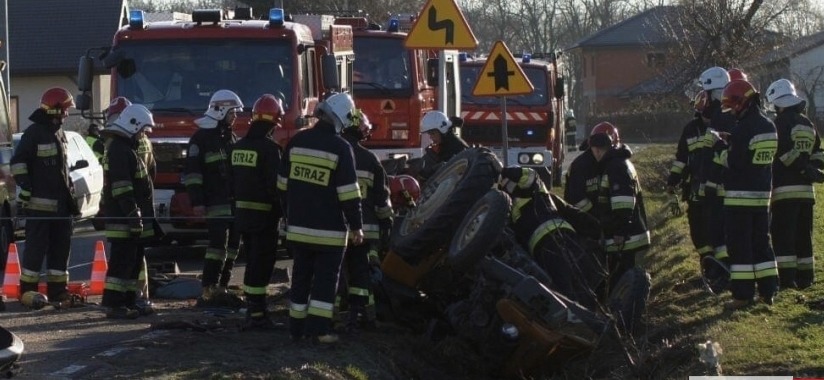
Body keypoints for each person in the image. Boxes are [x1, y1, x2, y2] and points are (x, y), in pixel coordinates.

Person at [277, 92, 364, 344]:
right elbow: (348, 193)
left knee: (300, 279)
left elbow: (282, 186)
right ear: (342, 119)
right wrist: (357, 226)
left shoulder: (297, 141)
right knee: (325, 282)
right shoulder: (341, 148)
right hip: (330, 232)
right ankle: (319, 331)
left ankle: (296, 330)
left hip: (298, 229)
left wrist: (289, 216)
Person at [10, 87, 79, 308]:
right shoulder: (34, 133)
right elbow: (18, 163)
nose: (66, 114)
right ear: (55, 110)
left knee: (60, 251)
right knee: (35, 251)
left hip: (61, 207)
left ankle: (58, 291)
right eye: (65, 109)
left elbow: (61, 171)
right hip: (40, 208)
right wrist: (25, 187)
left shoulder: (59, 133)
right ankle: (28, 292)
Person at [713, 79, 779, 309]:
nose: (732, 112)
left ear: (742, 102)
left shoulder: (742, 128)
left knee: (740, 246)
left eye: (733, 107)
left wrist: (720, 148)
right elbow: (753, 158)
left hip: (739, 198)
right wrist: (733, 141)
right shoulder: (769, 126)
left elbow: (735, 162)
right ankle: (768, 291)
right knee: (762, 243)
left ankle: (742, 296)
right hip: (762, 196)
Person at [500, 166, 604, 309]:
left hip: (553, 243)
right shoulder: (530, 199)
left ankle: (584, 316)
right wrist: (596, 228)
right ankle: (588, 315)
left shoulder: (534, 192)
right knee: (578, 285)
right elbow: (571, 212)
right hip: (556, 242)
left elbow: (529, 174)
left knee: (571, 288)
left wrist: (502, 170)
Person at [183, 89, 244, 307]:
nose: (235, 117)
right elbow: (192, 174)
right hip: (215, 202)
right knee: (217, 246)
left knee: (234, 246)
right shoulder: (201, 139)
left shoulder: (230, 136)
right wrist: (197, 201)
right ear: (220, 111)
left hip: (233, 202)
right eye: (232, 113)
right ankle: (209, 287)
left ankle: (222, 286)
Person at [230, 94, 284, 329]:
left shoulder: (237, 147)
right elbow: (277, 186)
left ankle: (252, 310)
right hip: (265, 219)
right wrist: (284, 212)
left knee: (252, 261)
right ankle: (258, 314)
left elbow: (230, 182)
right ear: (274, 122)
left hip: (242, 217)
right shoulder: (271, 150)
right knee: (262, 263)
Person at [99, 104, 158, 319]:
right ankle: (113, 304)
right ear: (134, 125)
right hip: (123, 220)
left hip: (131, 219)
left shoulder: (127, 148)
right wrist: (133, 214)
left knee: (133, 263)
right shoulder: (119, 150)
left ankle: (129, 301)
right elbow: (122, 189)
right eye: (142, 130)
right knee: (121, 264)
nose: (143, 135)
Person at [766, 78, 824, 289]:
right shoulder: (807, 123)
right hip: (806, 193)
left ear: (777, 104)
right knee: (804, 236)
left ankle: (787, 278)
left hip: (784, 192)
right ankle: (806, 277)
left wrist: (803, 168)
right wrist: (812, 169)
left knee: (783, 236)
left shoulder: (779, 124)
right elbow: (818, 153)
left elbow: (784, 153)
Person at [338, 109, 393, 331]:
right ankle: (359, 316)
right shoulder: (371, 160)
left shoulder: (334, 153)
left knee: (336, 273)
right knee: (360, 274)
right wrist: (386, 223)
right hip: (365, 230)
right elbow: (382, 200)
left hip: (337, 229)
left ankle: (332, 315)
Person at [589, 124, 650, 292]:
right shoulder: (620, 162)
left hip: (624, 238)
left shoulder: (615, 167)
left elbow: (623, 203)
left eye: (593, 151)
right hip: (627, 234)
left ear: (597, 150)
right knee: (623, 278)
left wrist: (620, 232)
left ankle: (622, 307)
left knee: (621, 281)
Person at [667, 91, 717, 287]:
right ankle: (708, 269)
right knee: (699, 231)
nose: (708, 118)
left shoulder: (724, 124)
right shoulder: (691, 129)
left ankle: (718, 272)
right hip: (695, 190)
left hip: (716, 191)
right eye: (705, 113)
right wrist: (673, 181)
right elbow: (681, 158)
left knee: (716, 232)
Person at [698, 67, 735, 284]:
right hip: (725, 185)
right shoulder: (726, 114)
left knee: (720, 231)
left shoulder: (722, 117)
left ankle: (724, 272)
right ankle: (724, 270)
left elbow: (716, 154)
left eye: (707, 93)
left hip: (721, 186)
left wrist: (709, 181)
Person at [417, 111, 469, 181]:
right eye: (429, 134)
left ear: (442, 130)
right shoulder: (443, 146)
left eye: (432, 133)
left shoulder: (456, 147)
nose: (431, 137)